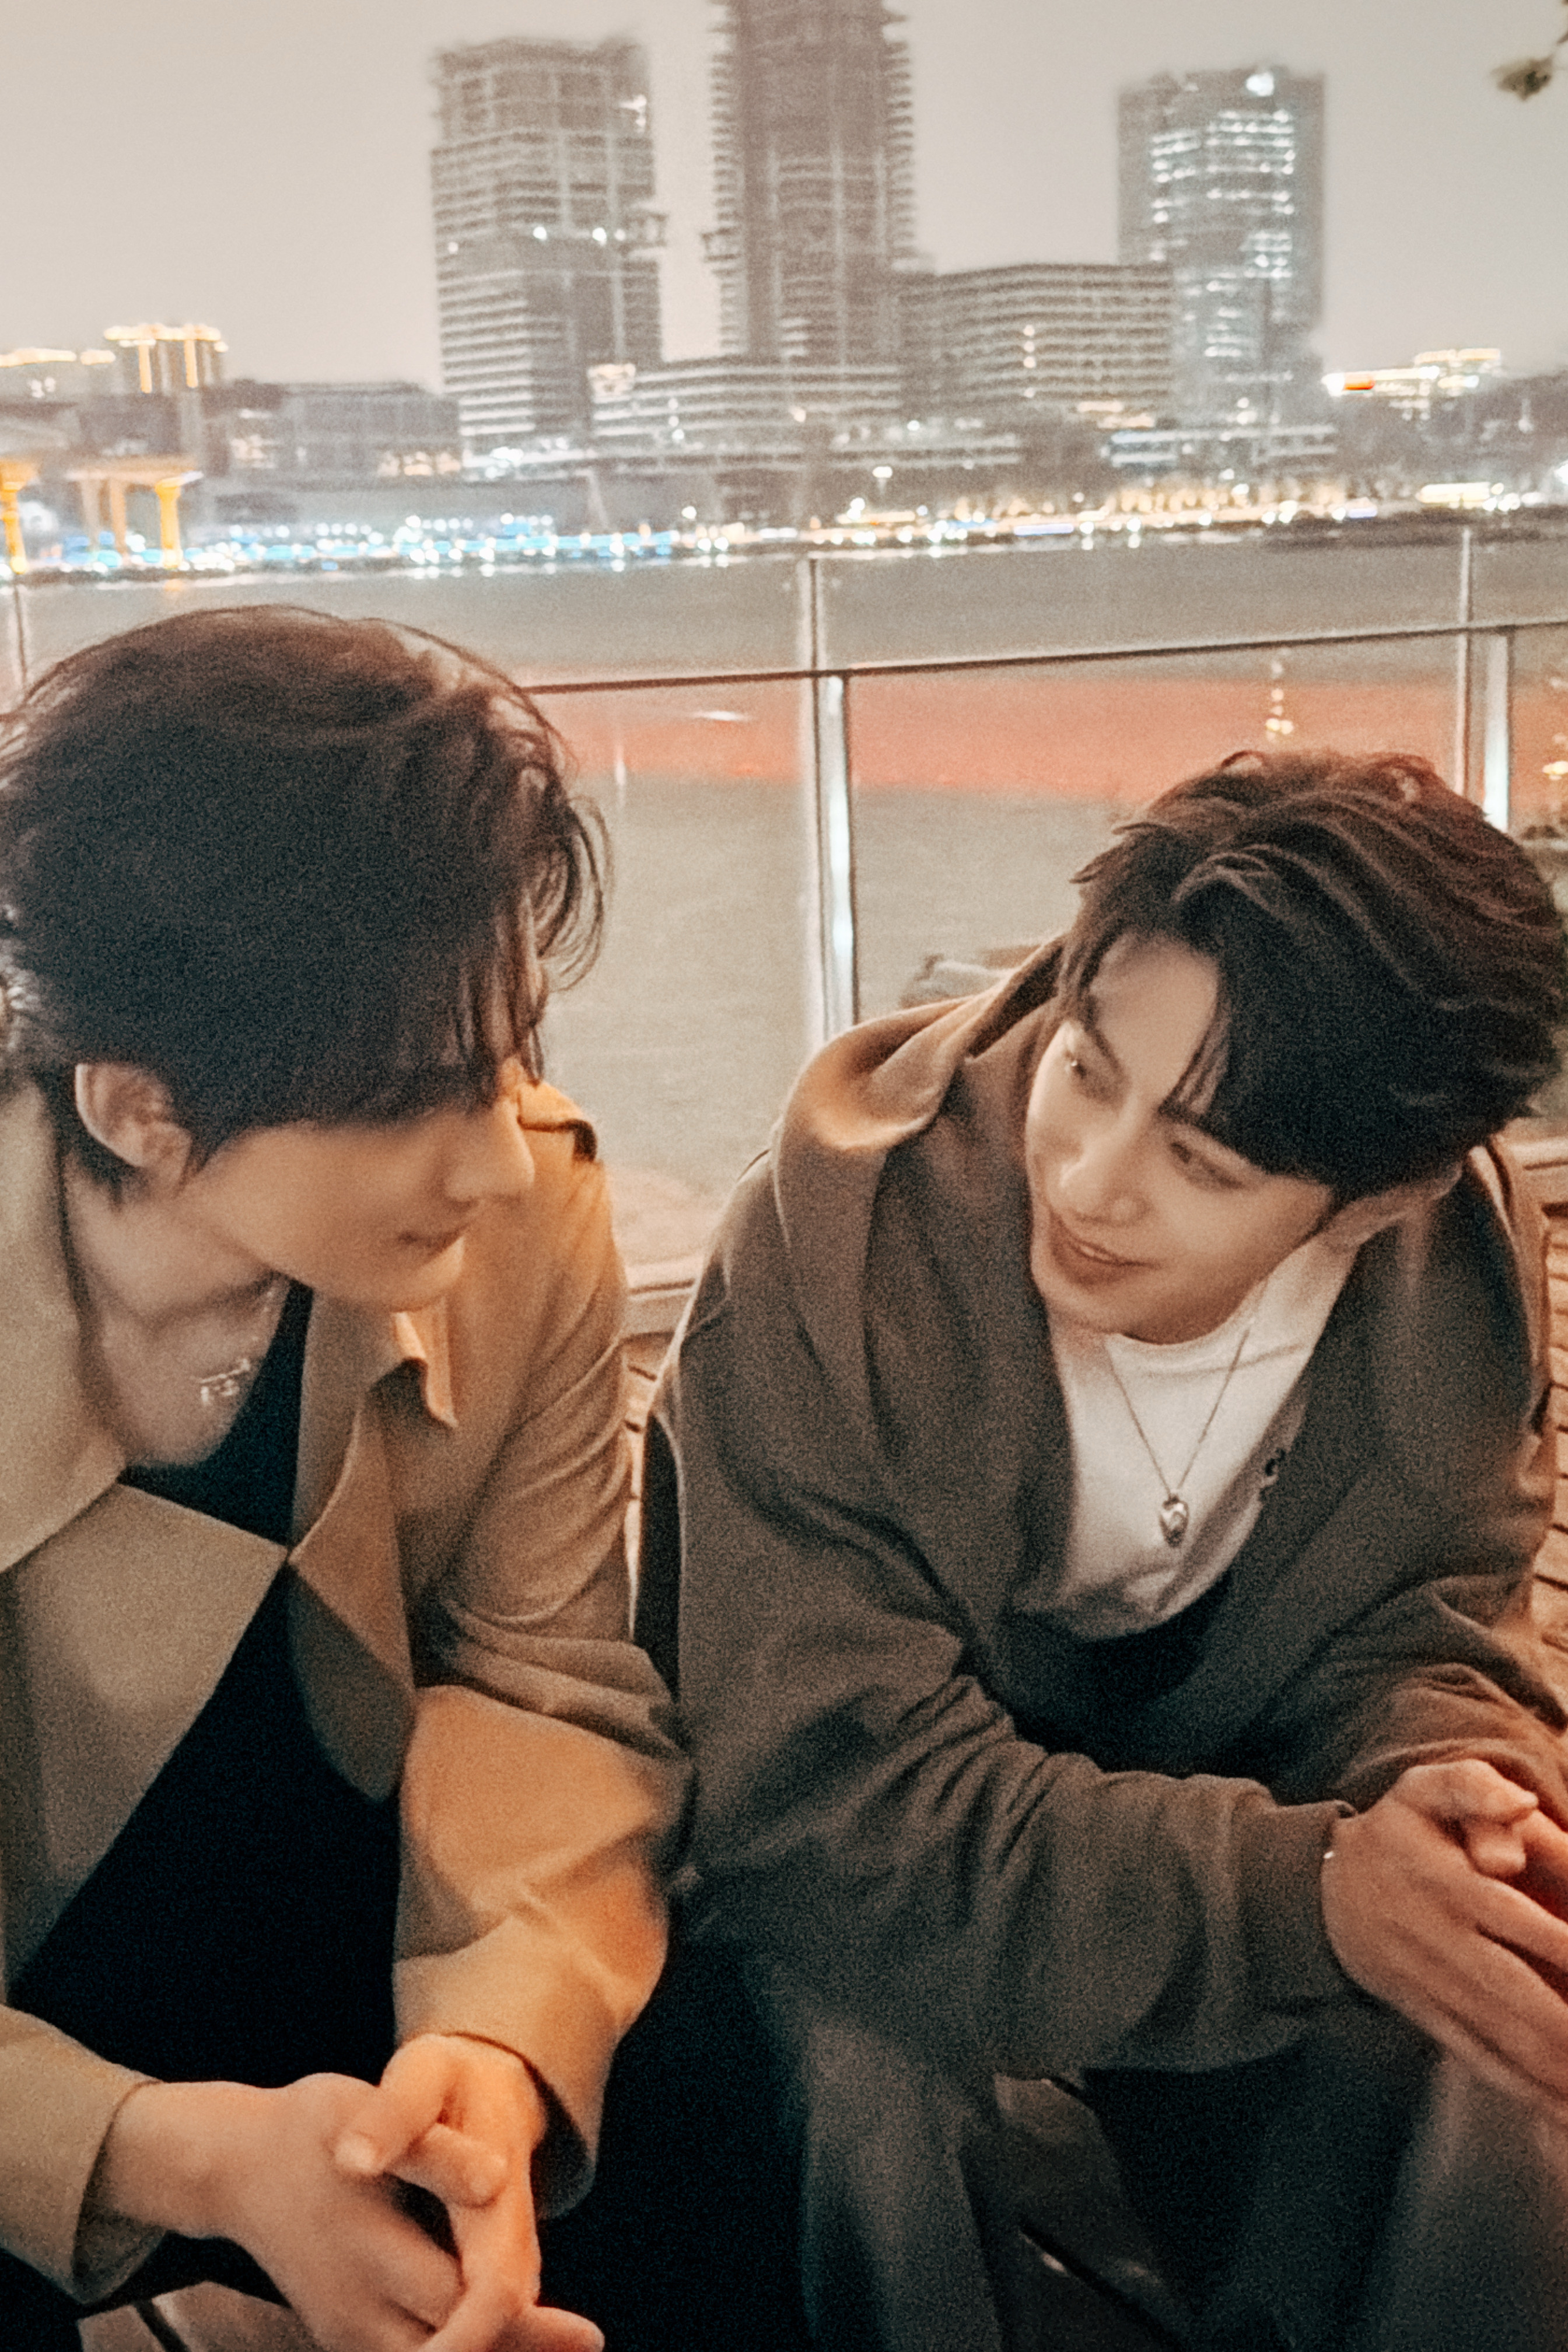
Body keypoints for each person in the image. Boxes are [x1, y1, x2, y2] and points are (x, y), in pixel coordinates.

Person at [646, 749, 1568, 2352]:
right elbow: (824, 1809)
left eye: (1201, 1162)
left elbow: (1420, 1624)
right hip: (858, 1856)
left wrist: (1453, 1799)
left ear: (1379, 1202)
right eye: (1086, 1069)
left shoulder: (1457, 1265)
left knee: (1488, 2015)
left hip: (1231, 1808)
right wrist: (1312, 1894)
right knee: (862, 2064)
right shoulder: (836, 1255)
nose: (1089, 1179)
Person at [0, 606, 684, 2351]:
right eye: (412, 1096)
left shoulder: (521, 1223)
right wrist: (183, 2159)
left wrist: (497, 2053)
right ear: (139, 1111)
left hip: (367, 1945)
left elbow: (542, 1682)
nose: (497, 1160)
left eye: (510, 1057)